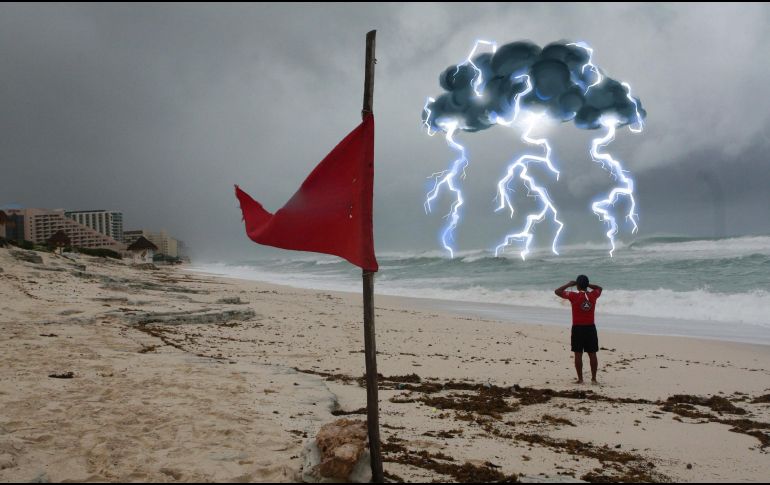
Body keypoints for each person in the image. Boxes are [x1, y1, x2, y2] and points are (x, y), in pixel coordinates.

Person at [554, 275, 603, 384]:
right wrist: (587, 284)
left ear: (577, 285)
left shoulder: (573, 296)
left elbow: (557, 291)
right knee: (592, 353)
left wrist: (569, 284)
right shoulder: (593, 295)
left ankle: (580, 379)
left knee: (578, 354)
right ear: (586, 285)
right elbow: (599, 288)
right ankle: (594, 379)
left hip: (578, 328)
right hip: (590, 328)